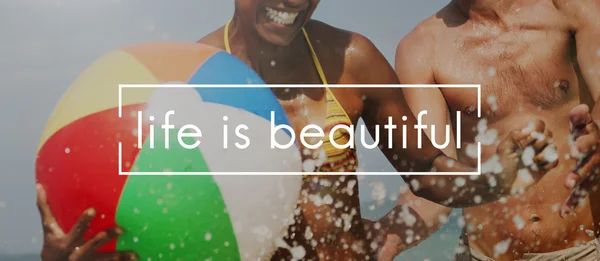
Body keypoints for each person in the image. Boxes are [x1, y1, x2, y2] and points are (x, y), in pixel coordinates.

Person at [36, 0, 560, 260]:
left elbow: (429, 175)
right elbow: (154, 230)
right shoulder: (182, 82)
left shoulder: (350, 61)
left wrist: (503, 173)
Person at [396, 0, 600, 260]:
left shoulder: (572, 7)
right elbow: (434, 178)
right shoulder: (421, 48)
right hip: (485, 255)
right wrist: (388, 237)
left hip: (586, 249)